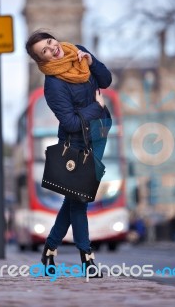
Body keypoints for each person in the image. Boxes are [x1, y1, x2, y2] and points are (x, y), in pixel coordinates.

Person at [25, 30, 112, 278]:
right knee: (80, 199)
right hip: (76, 140)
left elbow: (105, 81)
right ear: (42, 61)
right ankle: (87, 259)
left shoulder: (78, 52)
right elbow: (72, 123)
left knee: (74, 198)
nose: (53, 49)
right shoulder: (53, 85)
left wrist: (92, 61)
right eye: (45, 51)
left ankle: (50, 249)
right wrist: (96, 107)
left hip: (100, 131)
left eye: (51, 42)